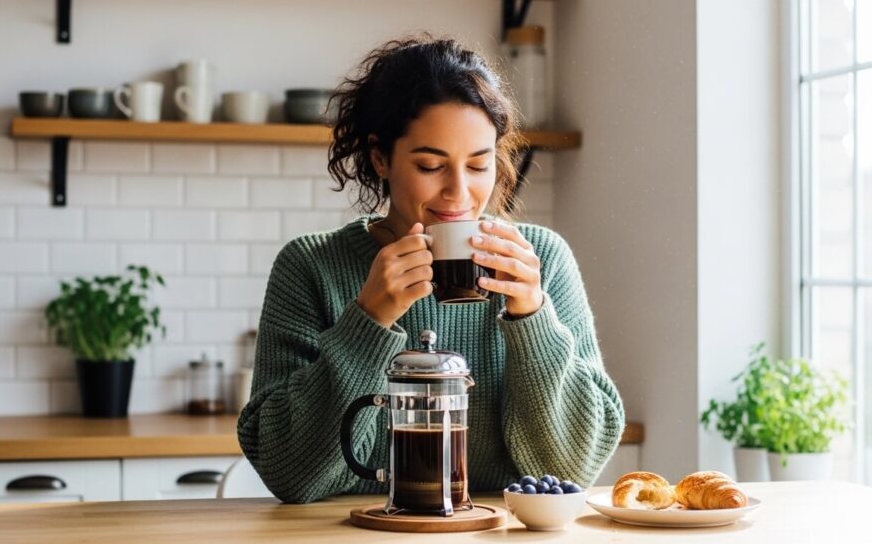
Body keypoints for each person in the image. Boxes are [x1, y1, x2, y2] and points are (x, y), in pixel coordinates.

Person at [237, 35, 624, 504]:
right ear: (380, 157)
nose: (459, 193)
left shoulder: (539, 258)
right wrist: (369, 320)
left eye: (478, 166)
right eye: (430, 165)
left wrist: (531, 316)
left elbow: (570, 469)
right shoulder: (311, 267)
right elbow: (289, 474)